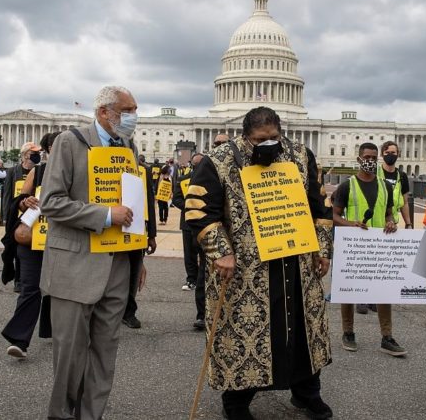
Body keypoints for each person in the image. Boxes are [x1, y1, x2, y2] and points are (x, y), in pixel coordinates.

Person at [186, 106, 334, 420]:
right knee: (246, 337)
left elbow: (319, 205)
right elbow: (199, 213)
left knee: (303, 334)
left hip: (296, 265)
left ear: (281, 132)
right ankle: (236, 402)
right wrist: (221, 252)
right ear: (246, 136)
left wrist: (322, 250)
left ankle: (307, 394)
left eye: (273, 138)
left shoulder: (300, 155)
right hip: (247, 271)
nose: (267, 144)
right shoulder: (219, 161)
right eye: (259, 140)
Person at [39, 85, 140, 420]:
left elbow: (135, 207)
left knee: (104, 355)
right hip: (74, 264)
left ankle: (91, 416)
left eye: (134, 110)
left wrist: (138, 259)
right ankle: (62, 415)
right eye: (127, 111)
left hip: (117, 265)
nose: (133, 118)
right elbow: (51, 203)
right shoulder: (70, 142)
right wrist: (105, 215)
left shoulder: (129, 147)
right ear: (103, 112)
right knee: (69, 357)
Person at [332, 143, 407, 357]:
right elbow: (335, 216)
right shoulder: (347, 186)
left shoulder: (387, 186)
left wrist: (392, 222)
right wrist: (351, 223)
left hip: (378, 246)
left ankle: (387, 336)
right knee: (348, 289)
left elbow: (389, 214)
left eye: (374, 157)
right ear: (359, 159)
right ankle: (348, 332)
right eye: (367, 157)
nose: (371, 161)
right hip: (354, 245)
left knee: (384, 291)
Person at [1, 132, 60, 358]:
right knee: (31, 287)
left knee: (57, 289)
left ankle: (53, 328)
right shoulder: (39, 171)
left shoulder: (78, 172)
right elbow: (19, 200)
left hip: (61, 239)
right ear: (48, 150)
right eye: (56, 146)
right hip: (33, 237)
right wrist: (26, 202)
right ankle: (19, 339)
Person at [122, 157, 158, 329]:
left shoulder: (143, 170)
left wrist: (152, 234)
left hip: (136, 227)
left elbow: (149, 202)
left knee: (134, 271)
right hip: (111, 225)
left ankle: (129, 312)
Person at [171, 152, 206, 328]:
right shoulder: (183, 179)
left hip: (206, 224)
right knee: (189, 254)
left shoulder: (210, 178)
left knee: (204, 256)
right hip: (188, 223)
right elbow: (176, 198)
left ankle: (198, 278)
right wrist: (190, 205)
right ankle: (191, 278)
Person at [3, 142, 42, 292]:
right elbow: (7, 194)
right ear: (26, 154)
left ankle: (23, 278)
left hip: (31, 214)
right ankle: (16, 278)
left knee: (26, 248)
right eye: (34, 152)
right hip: (15, 215)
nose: (37, 155)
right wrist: (6, 216)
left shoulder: (39, 171)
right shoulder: (13, 171)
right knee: (14, 248)